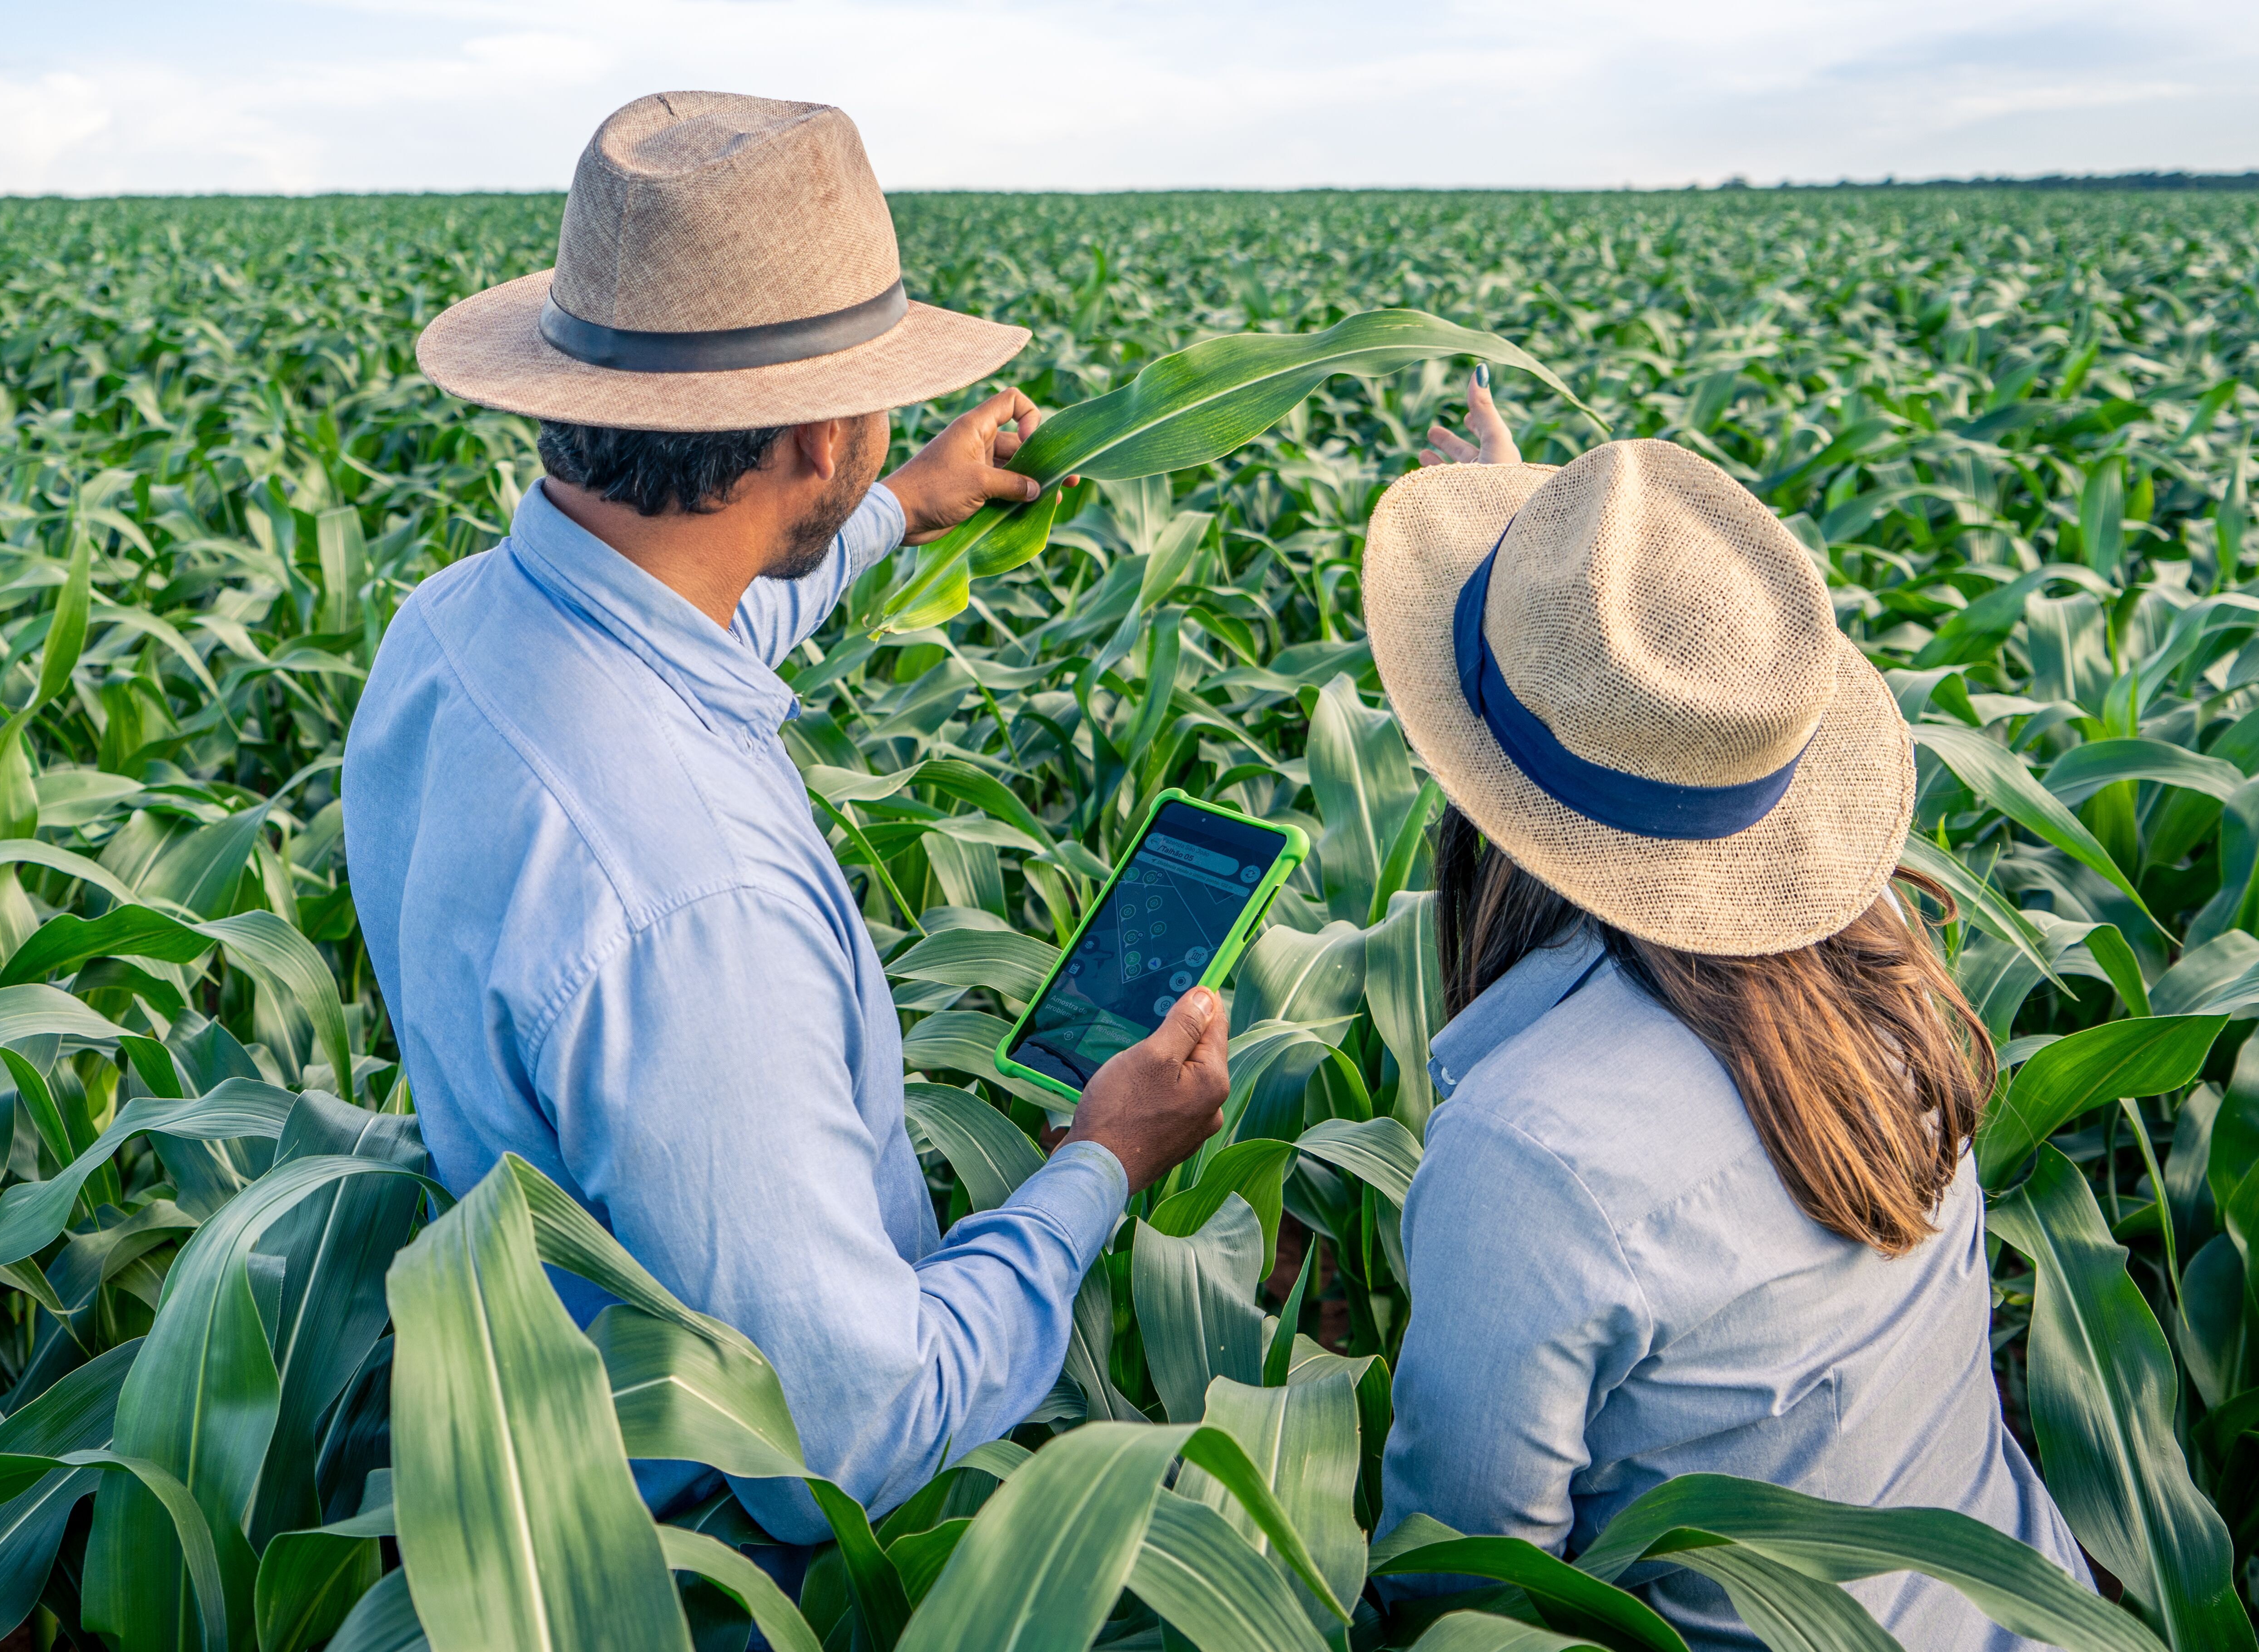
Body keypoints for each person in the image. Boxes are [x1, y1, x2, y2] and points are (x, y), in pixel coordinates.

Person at [342, 91, 1231, 1542]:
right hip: (713, 1562)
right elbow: (847, 1441)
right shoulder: (699, 917)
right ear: (820, 439)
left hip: (540, 1401)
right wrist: (1100, 1163)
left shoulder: (450, 634)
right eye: (876, 397)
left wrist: (902, 507)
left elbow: (698, 626)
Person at [1359, 383, 2091, 1648]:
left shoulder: (1532, 1157)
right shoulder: (1882, 961)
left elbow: (1465, 1599)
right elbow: (1659, 703)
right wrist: (1565, 580)